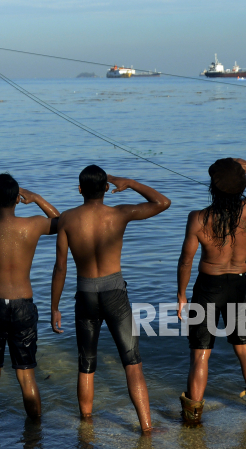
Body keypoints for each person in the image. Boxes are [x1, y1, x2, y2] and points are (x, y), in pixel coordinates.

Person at [51, 165, 170, 433]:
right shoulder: (119, 214)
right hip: (115, 293)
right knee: (132, 361)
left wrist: (54, 306)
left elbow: (60, 268)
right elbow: (163, 202)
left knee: (86, 362)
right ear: (106, 188)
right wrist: (129, 181)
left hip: (85, 294)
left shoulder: (67, 219)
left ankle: (86, 426)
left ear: (80, 189)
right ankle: (147, 428)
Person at [176, 158, 246, 423]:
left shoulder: (198, 218)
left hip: (207, 289)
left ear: (213, 187)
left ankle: (193, 418)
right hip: (238, 285)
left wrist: (181, 295)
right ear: (242, 185)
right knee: (245, 349)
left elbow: (186, 260)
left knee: (200, 354)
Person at [0, 174, 60, 427]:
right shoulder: (33, 225)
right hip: (23, 307)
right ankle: (35, 435)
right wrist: (37, 198)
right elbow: (60, 222)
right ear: (18, 199)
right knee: (27, 378)